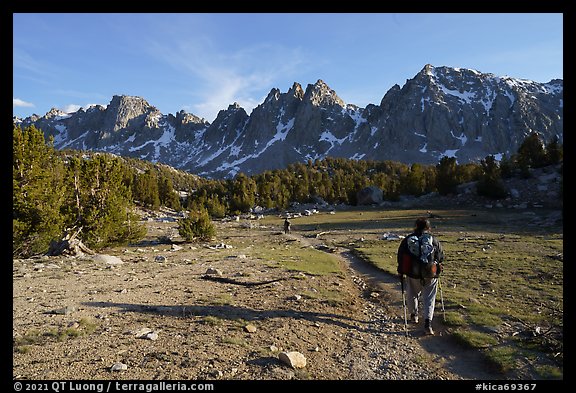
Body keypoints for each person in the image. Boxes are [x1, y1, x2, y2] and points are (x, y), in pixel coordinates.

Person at [397, 217, 444, 335]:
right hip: (430, 273)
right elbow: (441, 257)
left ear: (416, 227)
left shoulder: (408, 239)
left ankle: (414, 315)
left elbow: (401, 256)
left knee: (412, 293)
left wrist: (400, 270)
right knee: (429, 298)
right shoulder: (433, 240)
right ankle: (428, 323)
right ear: (428, 228)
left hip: (412, 273)